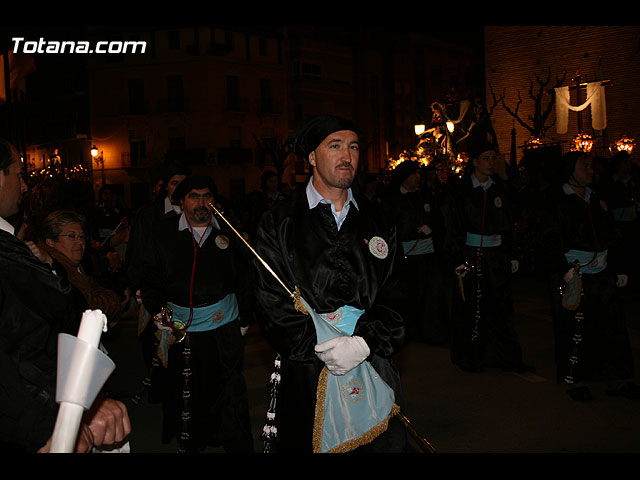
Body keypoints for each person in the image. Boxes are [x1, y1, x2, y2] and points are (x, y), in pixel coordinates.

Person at [252, 115, 407, 453]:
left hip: (373, 361)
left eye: (352, 147)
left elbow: (398, 292)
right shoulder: (280, 221)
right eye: (334, 146)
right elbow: (270, 303)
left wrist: (364, 343)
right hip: (307, 371)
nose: (346, 156)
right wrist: (322, 347)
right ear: (311, 157)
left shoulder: (379, 217)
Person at [0, 138, 130, 452]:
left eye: (81, 237)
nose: (25, 186)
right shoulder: (19, 260)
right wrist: (55, 418)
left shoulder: (60, 265)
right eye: (18, 174)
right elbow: (34, 338)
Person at [140, 175, 254, 453]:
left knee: (228, 390)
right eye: (194, 196)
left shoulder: (230, 234)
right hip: (181, 329)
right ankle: (194, 441)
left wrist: (245, 320)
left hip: (224, 327)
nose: (202, 203)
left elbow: (248, 279)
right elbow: (150, 279)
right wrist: (161, 318)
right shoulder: (163, 235)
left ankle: (231, 441)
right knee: (189, 388)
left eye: (207, 196)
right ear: (181, 201)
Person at [538, 151, 639, 401]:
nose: (591, 171)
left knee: (611, 326)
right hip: (575, 275)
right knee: (576, 328)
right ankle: (576, 379)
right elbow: (549, 238)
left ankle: (617, 379)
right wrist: (564, 270)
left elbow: (612, 236)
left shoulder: (596, 199)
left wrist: (619, 267)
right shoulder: (556, 200)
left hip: (602, 274)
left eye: (592, 167)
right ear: (570, 170)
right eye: (585, 166)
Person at [444, 140, 532, 373]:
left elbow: (509, 223)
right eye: (486, 158)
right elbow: (452, 227)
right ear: (474, 162)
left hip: (497, 257)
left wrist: (512, 253)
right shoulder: (461, 191)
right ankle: (473, 356)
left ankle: (507, 357)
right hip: (471, 256)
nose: (491, 162)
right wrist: (458, 259)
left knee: (501, 306)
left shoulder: (500, 188)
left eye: (494, 158)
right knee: (472, 306)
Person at [383, 160, 449, 345]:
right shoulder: (392, 198)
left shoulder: (425, 196)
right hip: (405, 258)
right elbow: (388, 227)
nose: (418, 177)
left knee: (432, 295)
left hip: (427, 255)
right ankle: (409, 331)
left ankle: (431, 331)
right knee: (409, 296)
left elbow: (439, 220)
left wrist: (432, 228)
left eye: (419, 174)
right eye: (414, 174)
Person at [36, 210, 124, 327]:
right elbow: (86, 307)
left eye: (82, 237)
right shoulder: (55, 268)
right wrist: (112, 304)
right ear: (51, 242)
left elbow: (93, 289)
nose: (79, 242)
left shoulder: (72, 264)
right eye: (71, 236)